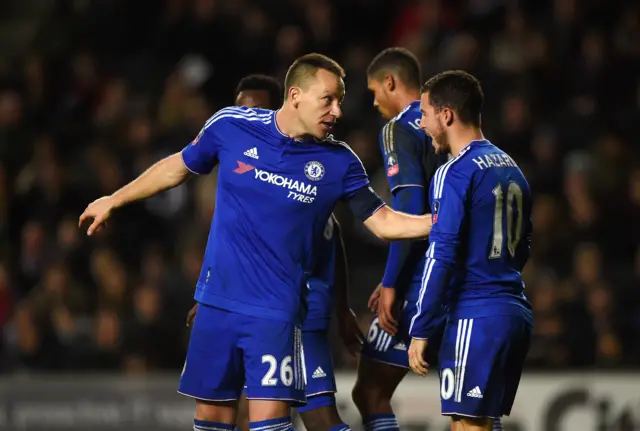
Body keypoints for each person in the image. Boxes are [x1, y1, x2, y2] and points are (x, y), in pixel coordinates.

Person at [79, 53, 433, 431]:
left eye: (339, 101)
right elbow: (177, 167)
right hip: (215, 306)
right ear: (295, 95)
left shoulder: (338, 161)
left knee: (273, 426)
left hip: (276, 315)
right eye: (328, 99)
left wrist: (442, 222)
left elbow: (383, 222)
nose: (337, 111)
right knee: (211, 423)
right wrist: (114, 199)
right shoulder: (230, 125)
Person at [186, 74, 359, 431]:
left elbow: (333, 233)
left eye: (254, 107)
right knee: (250, 413)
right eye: (239, 107)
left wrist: (341, 308)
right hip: (249, 305)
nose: (245, 114)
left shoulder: (314, 163)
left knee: (317, 416)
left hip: (297, 308)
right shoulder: (241, 160)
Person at [407, 70, 533, 431]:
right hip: (513, 312)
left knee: (468, 426)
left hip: (476, 313)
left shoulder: (455, 172)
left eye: (426, 113)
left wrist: (421, 326)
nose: (422, 122)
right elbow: (524, 245)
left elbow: (440, 253)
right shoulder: (513, 169)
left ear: (446, 115)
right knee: (477, 422)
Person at [351, 48, 449, 431]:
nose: (375, 102)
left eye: (375, 91)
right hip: (462, 276)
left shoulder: (399, 127)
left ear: (390, 82)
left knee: (370, 390)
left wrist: (393, 282)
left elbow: (407, 208)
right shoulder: (446, 121)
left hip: (419, 281)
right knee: (471, 405)